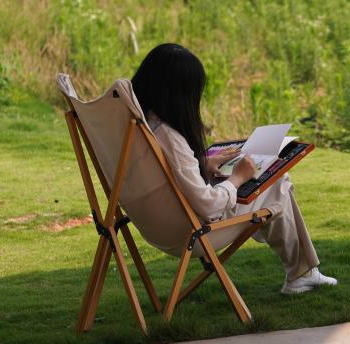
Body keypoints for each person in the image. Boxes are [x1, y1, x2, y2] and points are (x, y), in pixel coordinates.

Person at [131, 42, 336, 295]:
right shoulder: (170, 137)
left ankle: (303, 272)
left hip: (154, 227)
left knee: (274, 187)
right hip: (191, 233)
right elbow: (208, 205)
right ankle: (301, 274)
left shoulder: (139, 126)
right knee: (278, 182)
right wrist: (237, 177)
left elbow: (162, 175)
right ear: (178, 94)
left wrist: (201, 165)